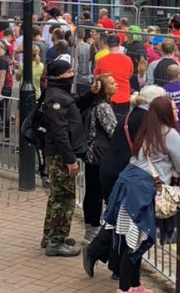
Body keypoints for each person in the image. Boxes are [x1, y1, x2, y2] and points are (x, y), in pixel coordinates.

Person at [103, 95, 180, 292]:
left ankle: (134, 285)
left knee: (132, 238)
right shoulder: (170, 134)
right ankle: (125, 288)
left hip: (127, 185)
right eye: (174, 109)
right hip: (142, 191)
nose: (177, 112)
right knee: (137, 240)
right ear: (165, 113)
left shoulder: (146, 130)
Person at [83, 85, 166, 279]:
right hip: (123, 173)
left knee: (119, 219)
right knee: (125, 221)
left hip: (115, 171)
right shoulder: (145, 119)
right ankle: (103, 256)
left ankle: (115, 264)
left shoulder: (134, 114)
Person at [40, 59, 88, 257]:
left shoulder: (60, 94)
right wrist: (70, 159)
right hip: (61, 155)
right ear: (59, 76)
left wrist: (92, 94)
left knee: (57, 195)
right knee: (64, 197)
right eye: (68, 72)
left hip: (61, 153)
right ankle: (56, 241)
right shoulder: (55, 98)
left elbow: (77, 102)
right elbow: (59, 132)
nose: (72, 75)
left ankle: (50, 234)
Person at [82, 74, 118, 241]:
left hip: (92, 155)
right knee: (96, 194)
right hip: (99, 155)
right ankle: (93, 230)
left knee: (92, 193)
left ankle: (91, 228)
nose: (116, 84)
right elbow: (113, 131)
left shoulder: (97, 105)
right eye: (111, 83)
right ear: (104, 88)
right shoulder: (103, 107)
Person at [96, 34, 135, 120]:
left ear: (107, 44)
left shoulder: (101, 61)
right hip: (124, 97)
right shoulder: (127, 60)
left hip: (108, 97)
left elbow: (97, 76)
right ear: (119, 44)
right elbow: (130, 75)